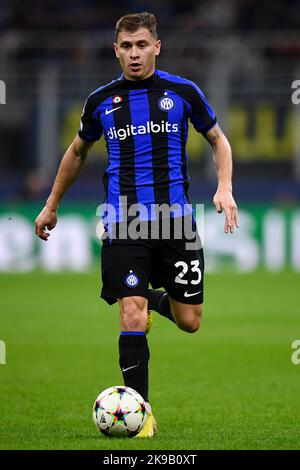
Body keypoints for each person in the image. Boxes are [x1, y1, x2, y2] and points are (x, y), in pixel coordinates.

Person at [35, 12, 239, 438]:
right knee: (131, 313)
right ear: (116, 50)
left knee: (190, 321)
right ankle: (140, 415)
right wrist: (51, 204)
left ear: (156, 46)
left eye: (141, 44)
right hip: (124, 222)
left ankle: (146, 298)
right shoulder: (100, 101)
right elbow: (76, 152)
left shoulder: (183, 92)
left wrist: (224, 186)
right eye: (126, 46)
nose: (134, 54)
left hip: (177, 223)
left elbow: (218, 139)